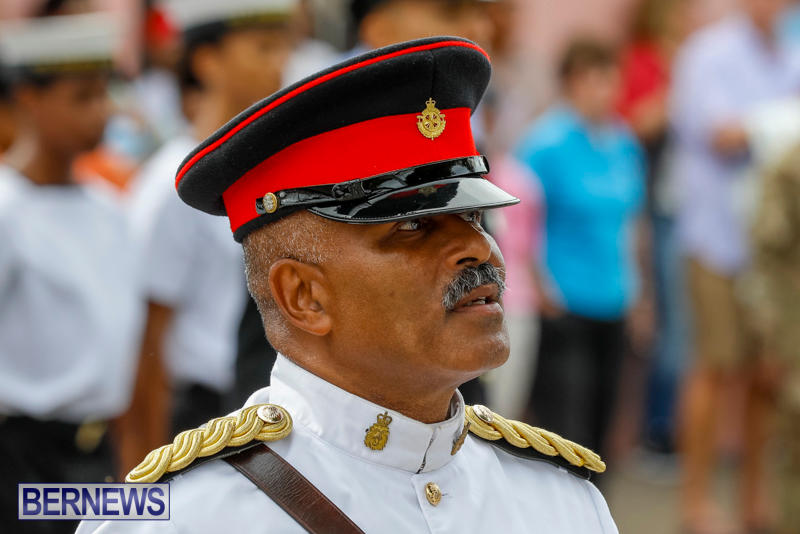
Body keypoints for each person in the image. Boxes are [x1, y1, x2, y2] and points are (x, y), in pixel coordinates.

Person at [78, 37, 618, 533]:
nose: (479, 248)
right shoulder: (180, 519)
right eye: (413, 226)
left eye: (474, 217)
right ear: (304, 296)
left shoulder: (563, 502)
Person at [120, 0, 296, 473]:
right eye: (262, 47)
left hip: (274, 406)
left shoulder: (283, 174)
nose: (280, 62)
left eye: (283, 46)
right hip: (202, 414)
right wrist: (147, 471)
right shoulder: (170, 185)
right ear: (207, 61)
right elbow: (147, 345)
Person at [0, 13, 144, 533]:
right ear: (29, 100)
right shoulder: (7, 208)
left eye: (104, 94)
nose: (101, 112)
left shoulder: (109, 206)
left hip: (97, 450)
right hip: (25, 455)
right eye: (82, 97)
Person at [669, 0, 800, 530]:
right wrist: (781, 122)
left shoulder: (791, 53)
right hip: (716, 237)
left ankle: (754, 500)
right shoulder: (709, 53)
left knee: (768, 373)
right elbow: (719, 134)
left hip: (774, 248)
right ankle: (696, 502)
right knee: (714, 367)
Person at [515, 39, 648, 474]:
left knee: (603, 424)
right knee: (566, 429)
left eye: (609, 79)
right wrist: (539, 287)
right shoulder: (545, 143)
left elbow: (632, 222)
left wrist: (642, 293)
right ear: (570, 83)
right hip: (564, 301)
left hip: (614, 298)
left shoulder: (623, 142)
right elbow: (520, 220)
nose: (602, 90)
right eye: (591, 79)